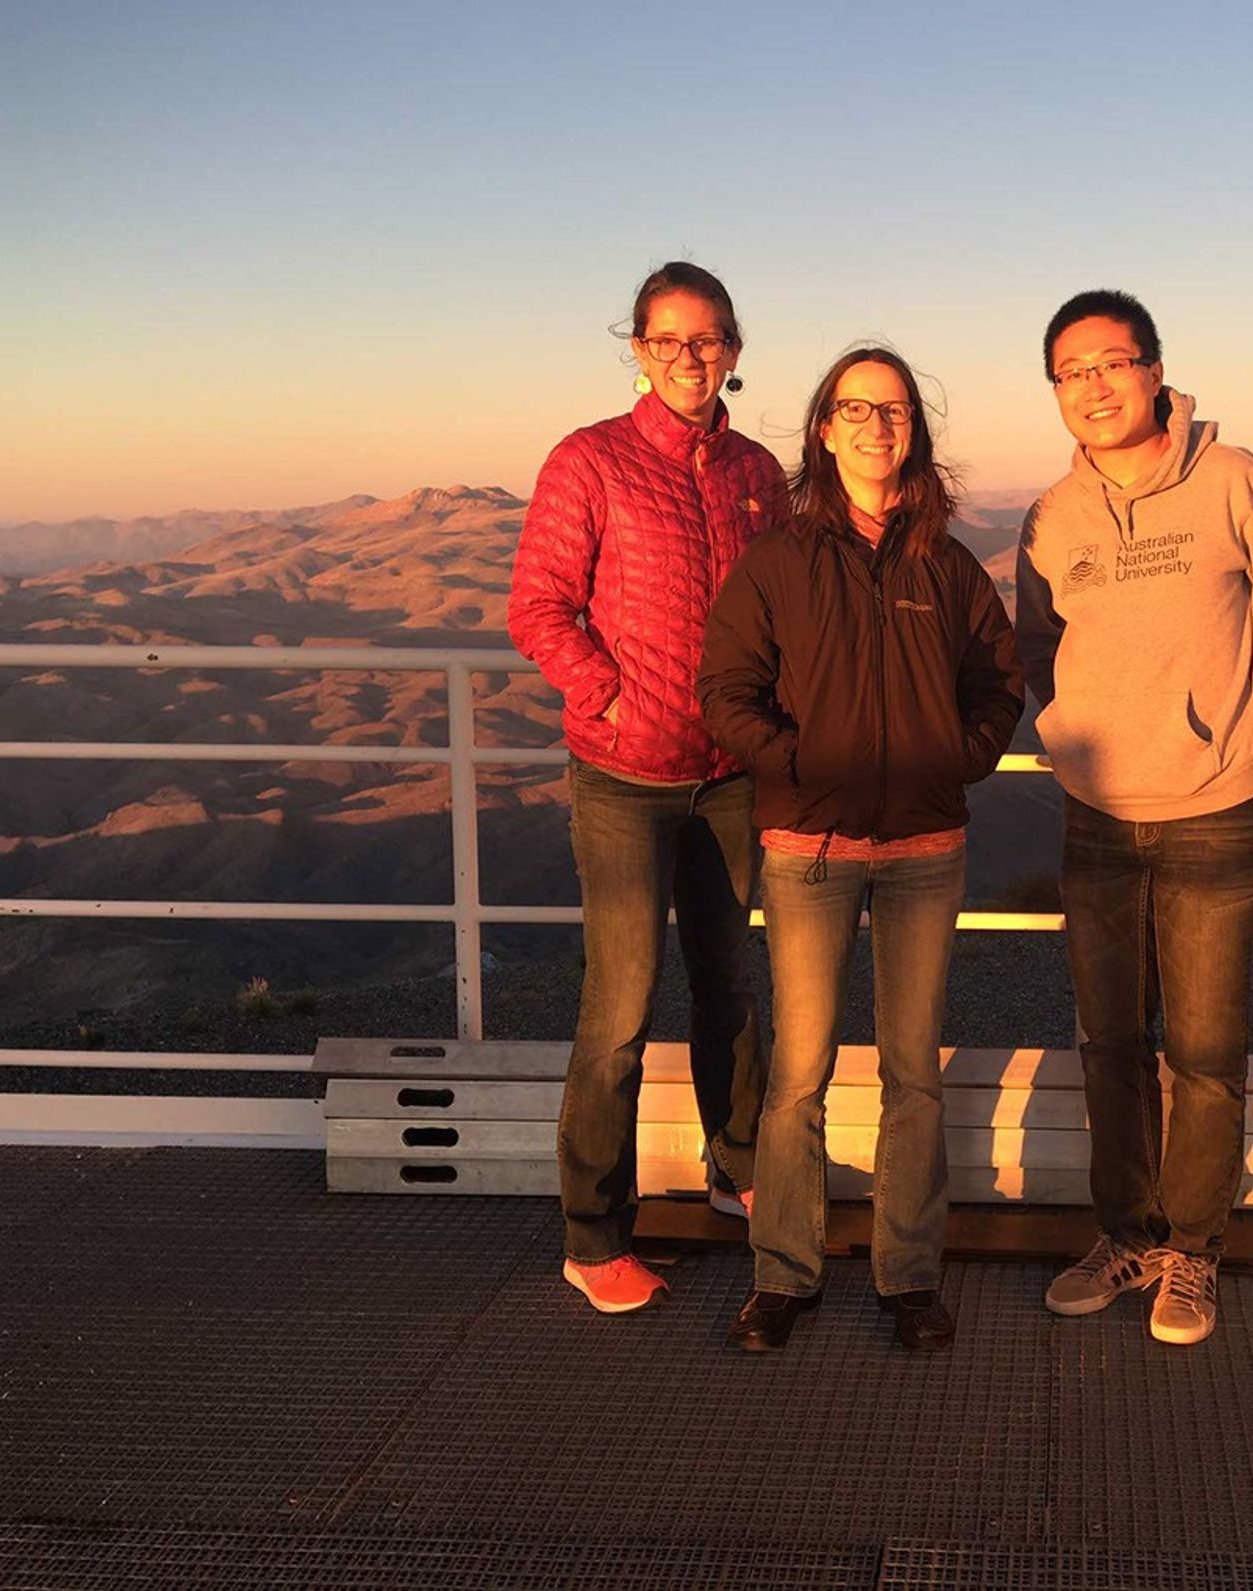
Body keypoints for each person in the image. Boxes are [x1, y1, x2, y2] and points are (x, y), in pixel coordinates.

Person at [1015, 289, 1253, 1345]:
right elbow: (1030, 646)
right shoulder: (1052, 516)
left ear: (1153, 370)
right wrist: (1062, 733)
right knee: (1108, 1043)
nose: (1091, 386)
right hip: (1095, 814)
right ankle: (1124, 1236)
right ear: (1053, 391)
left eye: (1110, 363)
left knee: (1201, 1047)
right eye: (1070, 371)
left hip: (1210, 812)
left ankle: (1192, 1253)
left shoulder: (1232, 479)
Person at [698, 348, 1023, 1352]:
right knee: (799, 1070)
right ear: (824, 430)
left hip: (925, 845)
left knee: (910, 1071)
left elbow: (997, 681)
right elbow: (725, 691)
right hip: (807, 847)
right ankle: (782, 1275)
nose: (875, 424)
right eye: (855, 407)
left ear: (912, 434)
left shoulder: (949, 566)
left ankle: (908, 1277)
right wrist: (797, 766)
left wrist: (955, 758)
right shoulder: (778, 563)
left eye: (892, 409)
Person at [508, 261, 787, 1315]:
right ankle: (592, 1233)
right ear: (635, 346)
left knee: (730, 989)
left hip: (728, 778)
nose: (688, 357)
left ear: (733, 348)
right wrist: (608, 693)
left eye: (706, 338)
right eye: (666, 339)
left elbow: (783, 614)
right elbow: (537, 606)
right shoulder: (589, 461)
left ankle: (739, 1171)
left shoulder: (758, 470)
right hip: (624, 777)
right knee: (619, 1009)